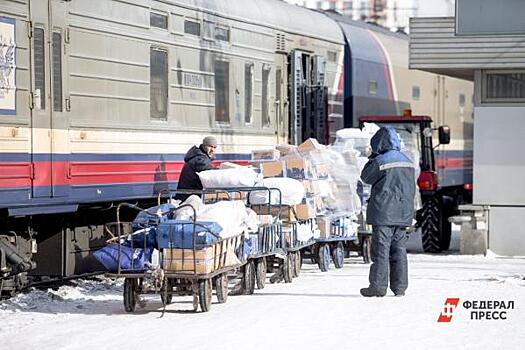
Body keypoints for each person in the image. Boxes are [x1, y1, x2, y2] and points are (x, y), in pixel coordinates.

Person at [359, 127, 415, 297]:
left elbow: (366, 178)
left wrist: (372, 158)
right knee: (399, 250)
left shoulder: (380, 161)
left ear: (379, 142)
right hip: (403, 213)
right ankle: (400, 287)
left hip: (384, 213)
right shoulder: (408, 161)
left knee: (381, 251)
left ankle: (378, 286)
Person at [175, 136, 217, 201]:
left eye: (214, 147)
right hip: (189, 199)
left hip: (186, 196)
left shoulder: (198, 156)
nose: (212, 150)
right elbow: (211, 174)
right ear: (203, 146)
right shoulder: (200, 160)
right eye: (210, 146)